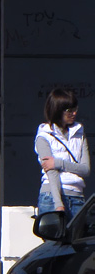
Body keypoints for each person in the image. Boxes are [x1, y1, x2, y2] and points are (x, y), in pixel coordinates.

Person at [35, 88, 89, 220]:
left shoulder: (79, 133)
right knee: (54, 239)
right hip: (51, 197)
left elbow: (85, 169)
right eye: (69, 110)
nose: (74, 113)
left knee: (77, 239)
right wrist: (58, 204)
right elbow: (51, 172)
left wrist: (58, 163)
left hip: (77, 196)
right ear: (57, 110)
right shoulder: (44, 136)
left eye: (75, 108)